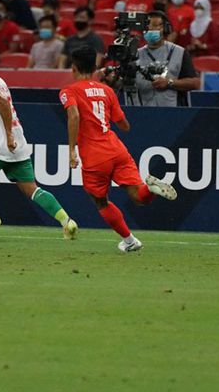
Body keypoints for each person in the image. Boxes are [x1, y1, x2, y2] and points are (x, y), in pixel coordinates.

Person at [0, 45, 78, 237]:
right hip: (17, 145)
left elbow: (2, 104)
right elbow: (0, 111)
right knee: (32, 189)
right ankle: (66, 221)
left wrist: (8, 134)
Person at [60, 46, 176, 253]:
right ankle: (150, 189)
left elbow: (74, 116)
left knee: (100, 201)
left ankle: (130, 240)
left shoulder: (69, 91)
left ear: (73, 68)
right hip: (117, 150)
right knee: (139, 197)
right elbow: (124, 125)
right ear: (95, 67)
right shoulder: (108, 91)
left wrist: (71, 150)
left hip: (95, 156)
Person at [112, 11, 198, 106]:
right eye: (147, 25)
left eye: (156, 25)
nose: (151, 28)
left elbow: (195, 83)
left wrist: (169, 82)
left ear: (165, 29)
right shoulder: (134, 55)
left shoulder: (179, 52)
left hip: (173, 113)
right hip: (143, 113)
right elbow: (121, 84)